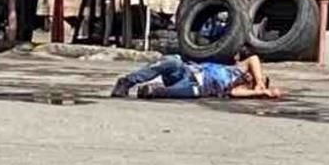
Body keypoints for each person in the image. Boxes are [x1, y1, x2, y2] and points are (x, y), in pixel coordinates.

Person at [110, 51, 284, 100]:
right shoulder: (237, 69)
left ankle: (151, 91)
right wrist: (260, 81)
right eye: (253, 76)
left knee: (188, 92)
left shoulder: (237, 87)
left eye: (252, 81)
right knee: (172, 61)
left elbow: (234, 94)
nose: (251, 78)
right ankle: (126, 82)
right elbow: (254, 59)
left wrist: (259, 91)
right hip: (187, 71)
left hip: (198, 86)